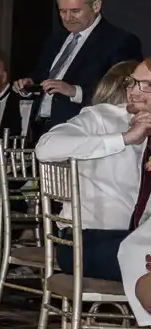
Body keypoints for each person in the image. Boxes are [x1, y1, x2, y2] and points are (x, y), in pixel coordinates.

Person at [37, 59, 150, 289]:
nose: (133, 91)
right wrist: (125, 139)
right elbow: (46, 147)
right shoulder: (102, 118)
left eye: (146, 85)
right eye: (132, 83)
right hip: (85, 242)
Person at [18, 0, 144, 138]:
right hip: (40, 130)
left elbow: (121, 92)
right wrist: (29, 84)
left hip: (84, 133)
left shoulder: (120, 41)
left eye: (75, 11)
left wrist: (74, 91)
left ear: (96, 6)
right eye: (63, 11)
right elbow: (42, 77)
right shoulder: (55, 39)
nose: (67, 18)